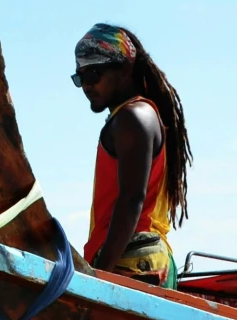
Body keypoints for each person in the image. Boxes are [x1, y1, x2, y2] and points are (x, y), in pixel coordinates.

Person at [71, 23, 191, 284]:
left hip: (132, 260)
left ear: (125, 68)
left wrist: (98, 275)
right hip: (141, 259)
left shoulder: (133, 117)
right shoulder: (135, 116)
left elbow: (132, 200)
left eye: (93, 74)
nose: (86, 86)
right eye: (80, 78)